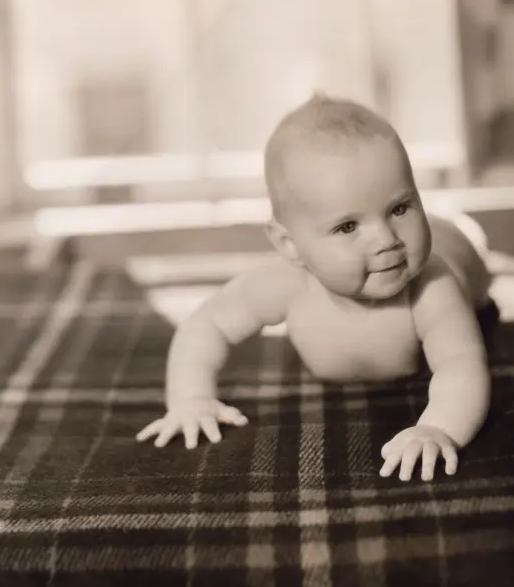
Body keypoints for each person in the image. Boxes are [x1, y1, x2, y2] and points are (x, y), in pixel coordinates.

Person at [137, 94, 493, 482]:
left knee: (466, 242)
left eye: (400, 208)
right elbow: (207, 324)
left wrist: (439, 427)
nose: (386, 239)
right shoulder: (285, 283)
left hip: (455, 247)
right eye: (347, 227)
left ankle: (463, 227)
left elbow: (461, 363)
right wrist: (190, 398)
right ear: (291, 246)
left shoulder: (430, 287)